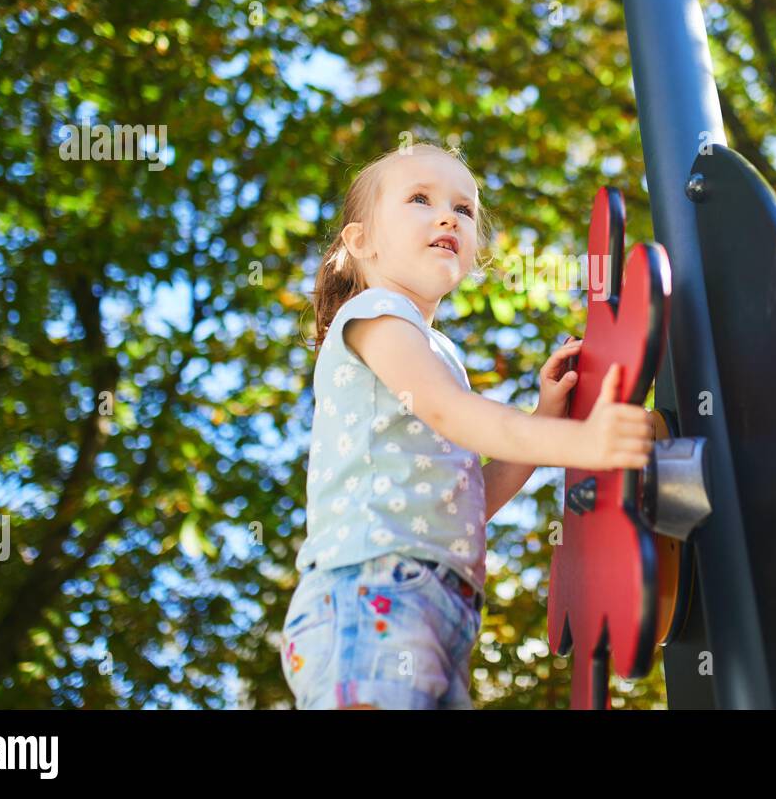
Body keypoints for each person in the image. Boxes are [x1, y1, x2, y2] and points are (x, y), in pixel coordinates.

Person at [279, 140, 655, 709]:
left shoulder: (438, 349)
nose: (447, 216)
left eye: (464, 209)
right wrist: (583, 440)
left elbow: (467, 501)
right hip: (369, 591)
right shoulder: (373, 316)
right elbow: (447, 412)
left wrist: (543, 420)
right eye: (421, 198)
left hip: (439, 605)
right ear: (361, 243)